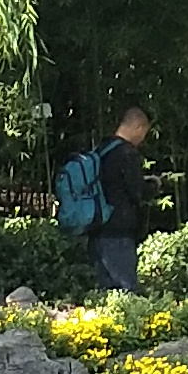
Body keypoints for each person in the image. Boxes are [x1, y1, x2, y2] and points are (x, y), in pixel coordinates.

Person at [81, 103, 154, 295]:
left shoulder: (101, 150)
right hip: (119, 231)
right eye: (144, 132)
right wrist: (154, 185)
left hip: (96, 229)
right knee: (125, 291)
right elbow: (136, 191)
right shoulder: (127, 153)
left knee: (105, 293)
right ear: (139, 127)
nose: (142, 138)